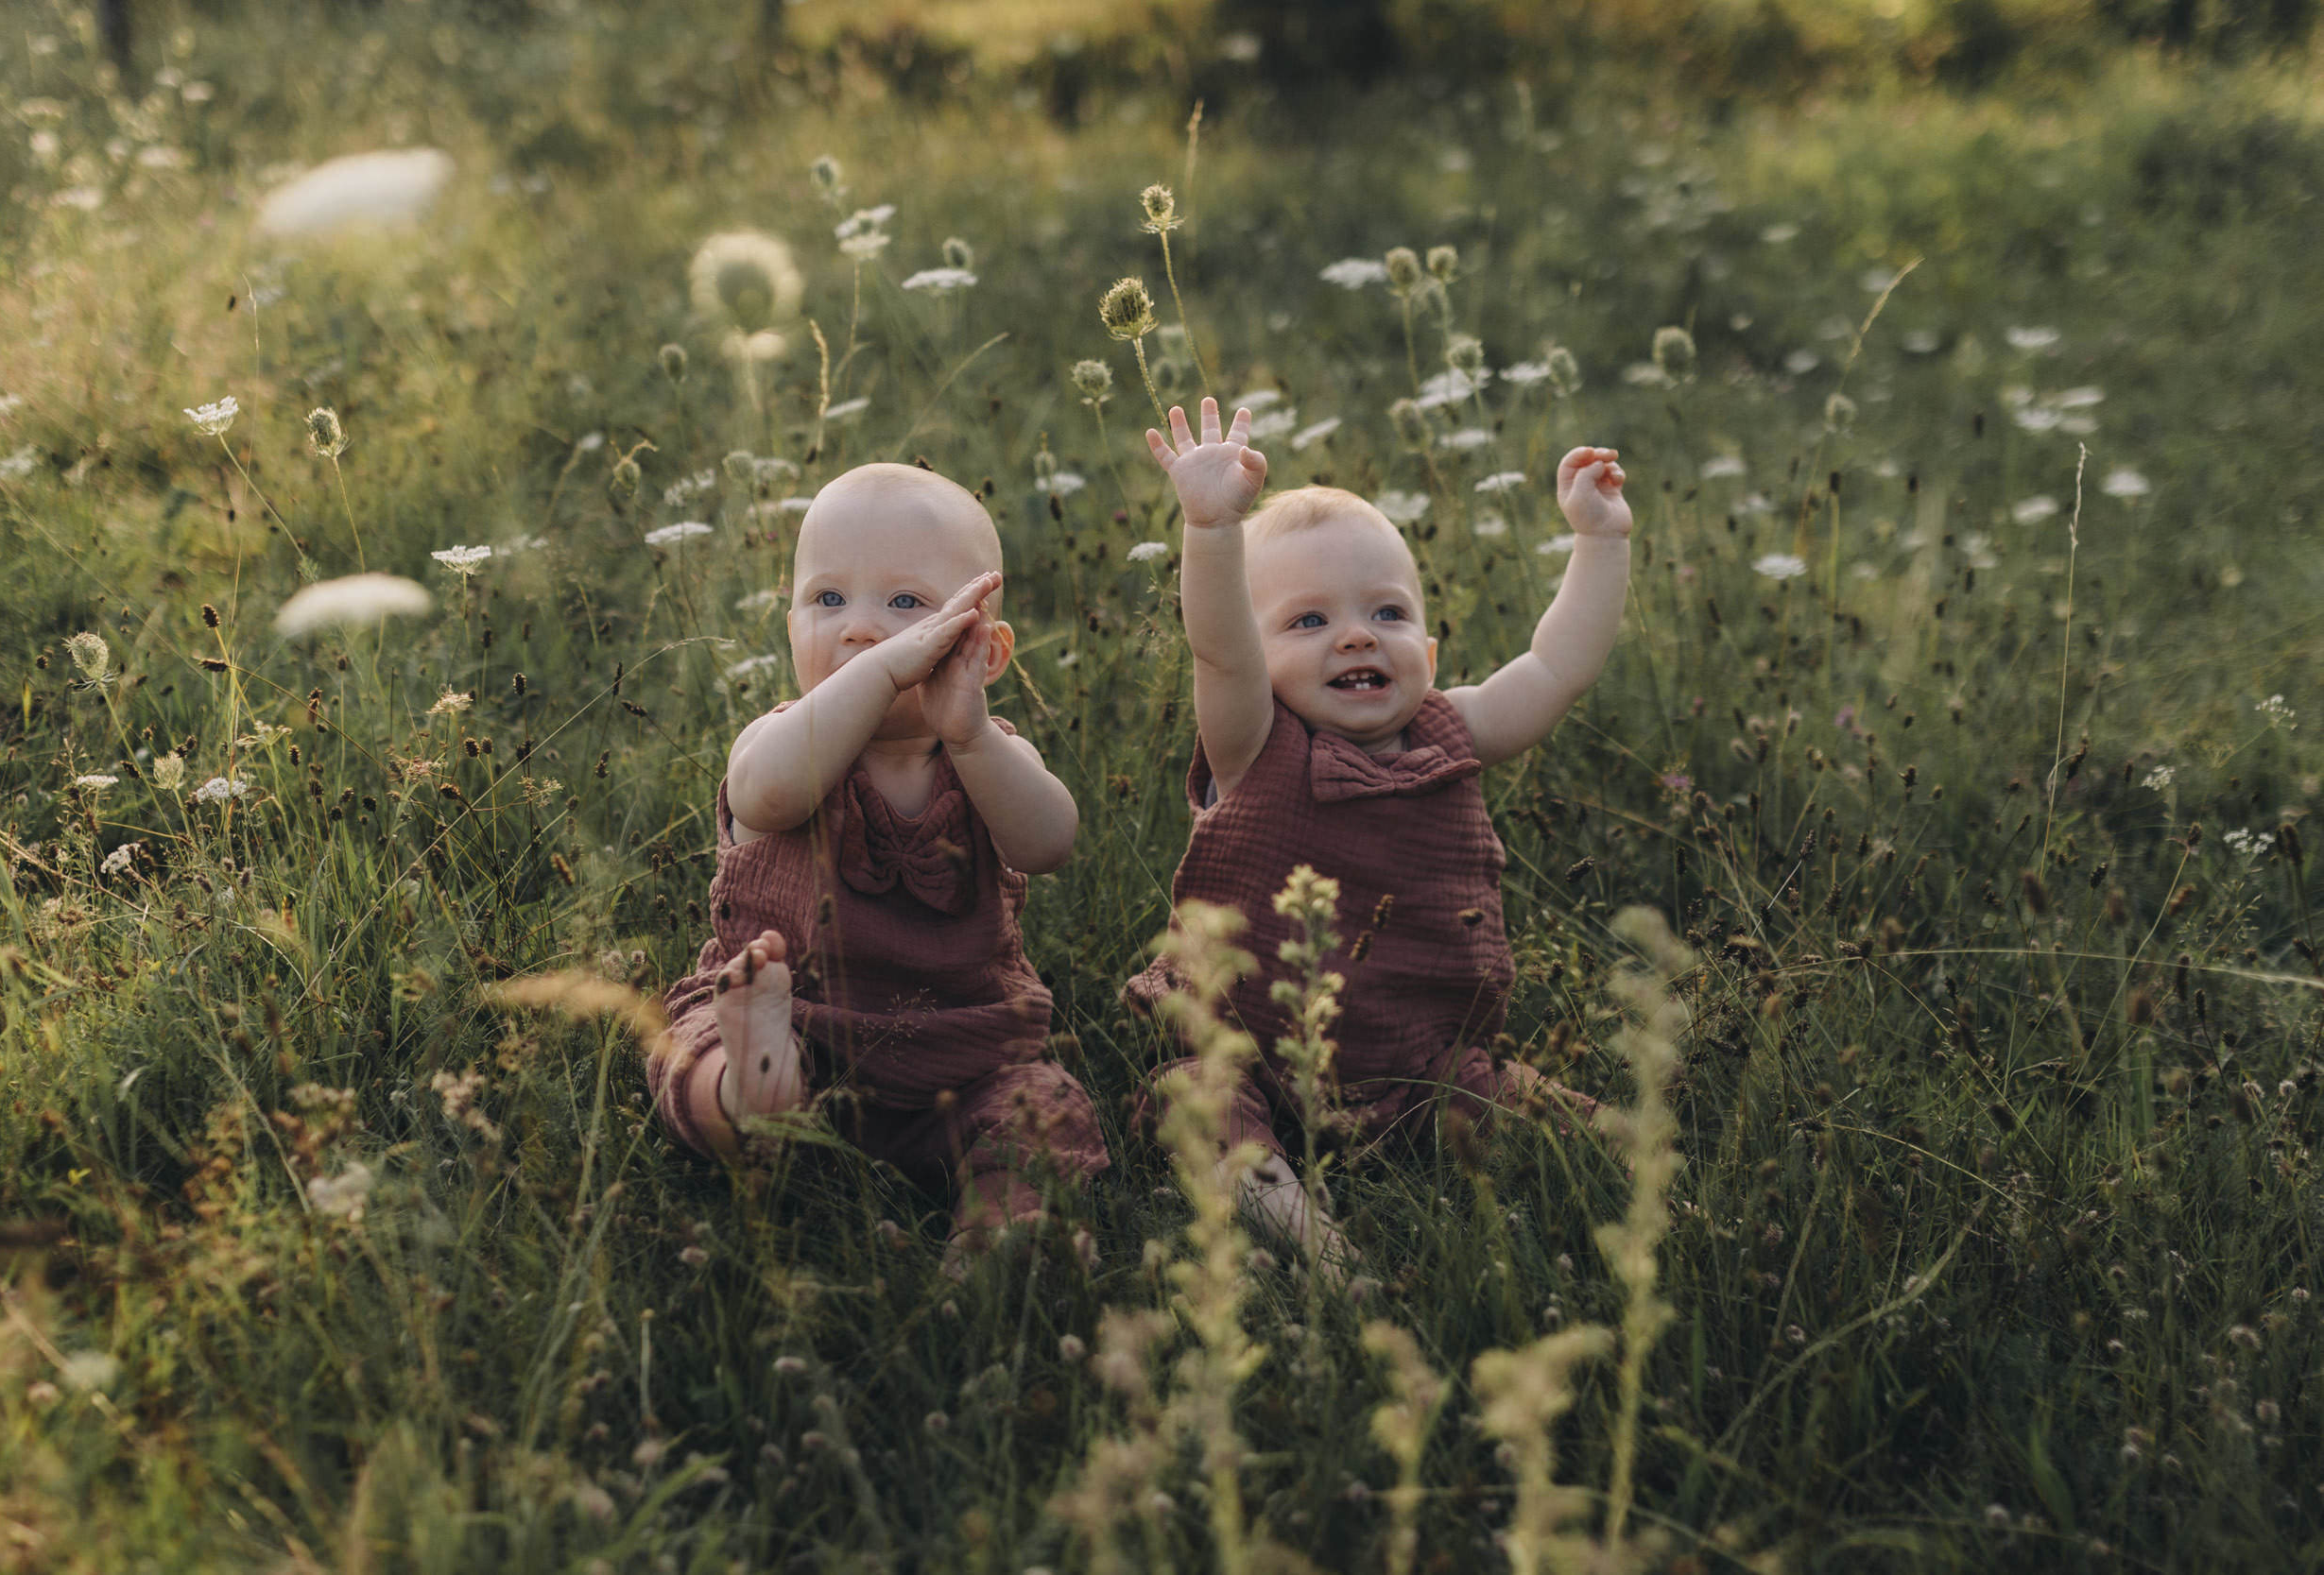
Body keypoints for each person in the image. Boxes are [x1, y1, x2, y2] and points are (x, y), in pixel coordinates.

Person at [1126, 397, 1631, 1267]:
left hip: (1419, 1061)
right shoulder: (1253, 743)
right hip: (1253, 1050)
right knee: (1203, 1107)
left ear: (1429, 656)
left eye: (1388, 615)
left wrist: (1600, 542)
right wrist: (1209, 527)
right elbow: (1217, 650)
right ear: (1260, 652)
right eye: (1308, 621)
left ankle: (1662, 1186)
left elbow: (1556, 667)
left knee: (1555, 1118)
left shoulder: (1450, 728)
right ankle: (1304, 1231)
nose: (1358, 634)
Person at [656, 462, 1108, 1269]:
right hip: (797, 1025)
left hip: (961, 1061)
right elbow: (765, 796)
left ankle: (998, 1234)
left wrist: (971, 739)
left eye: (905, 604)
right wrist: (883, 671)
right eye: (828, 600)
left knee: (1045, 1106)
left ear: (986, 649)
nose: (860, 629)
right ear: (791, 626)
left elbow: (1050, 843)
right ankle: (749, 1093)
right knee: (688, 1055)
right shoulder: (779, 742)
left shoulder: (990, 756)